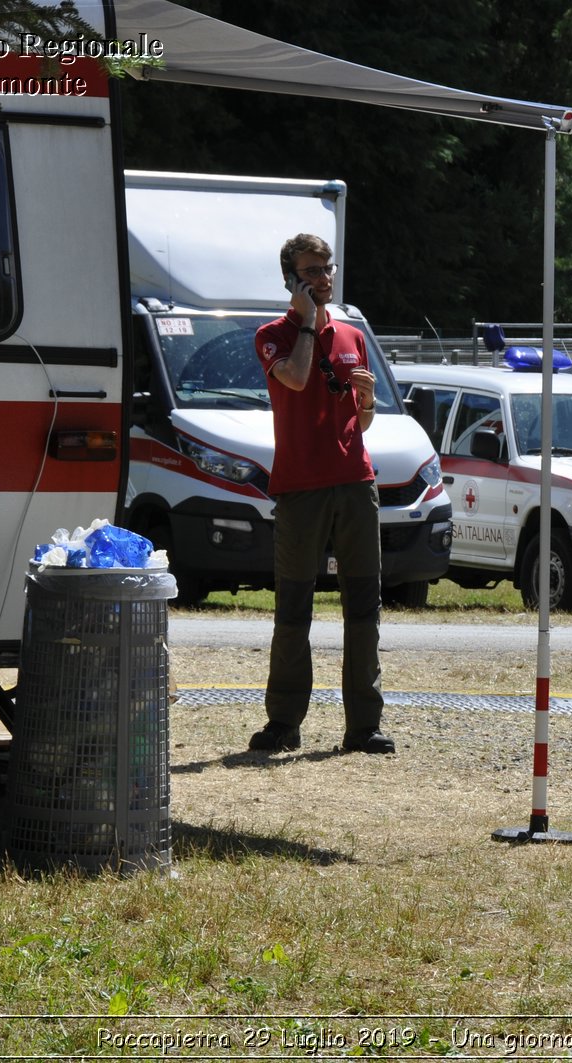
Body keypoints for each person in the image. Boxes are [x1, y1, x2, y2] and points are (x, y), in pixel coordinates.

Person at [249, 233, 394, 755]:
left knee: (363, 609)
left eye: (327, 269)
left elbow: (364, 420)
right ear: (291, 279)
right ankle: (284, 723)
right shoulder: (273, 335)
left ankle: (363, 727)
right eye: (311, 271)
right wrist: (307, 320)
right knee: (293, 609)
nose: (324, 278)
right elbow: (293, 377)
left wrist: (368, 399)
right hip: (299, 488)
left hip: (356, 483)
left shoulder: (354, 335)